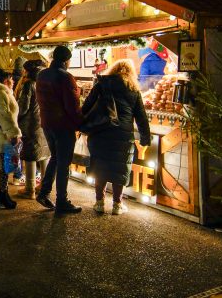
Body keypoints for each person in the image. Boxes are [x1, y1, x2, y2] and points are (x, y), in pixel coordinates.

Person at [82, 59, 151, 215]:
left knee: (100, 167)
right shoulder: (133, 89)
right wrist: (145, 138)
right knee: (119, 169)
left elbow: (86, 106)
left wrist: (80, 125)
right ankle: (117, 205)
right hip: (123, 135)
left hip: (101, 132)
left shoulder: (102, 84)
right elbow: (141, 117)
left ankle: (99, 202)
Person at [35, 45, 83, 214]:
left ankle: (44, 192)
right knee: (63, 164)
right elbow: (72, 106)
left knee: (55, 158)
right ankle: (62, 200)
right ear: (66, 60)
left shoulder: (42, 74)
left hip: (47, 123)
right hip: (63, 126)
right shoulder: (65, 77)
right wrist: (80, 124)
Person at [14, 57, 51, 200]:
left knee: (30, 154)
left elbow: (23, 107)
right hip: (44, 121)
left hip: (30, 124)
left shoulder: (29, 85)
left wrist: (15, 116)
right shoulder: (46, 83)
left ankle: (30, 189)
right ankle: (43, 185)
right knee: (43, 153)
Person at [0, 70, 22, 209]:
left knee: (5, 167)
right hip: (3, 136)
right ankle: (2, 195)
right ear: (6, 81)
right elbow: (3, 115)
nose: (13, 82)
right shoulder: (1, 93)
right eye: (11, 80)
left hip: (4, 134)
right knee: (4, 167)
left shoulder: (4, 92)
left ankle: (3, 194)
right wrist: (13, 133)